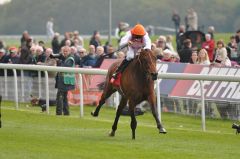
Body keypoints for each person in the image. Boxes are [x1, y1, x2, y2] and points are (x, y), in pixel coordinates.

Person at [55, 46, 75, 115]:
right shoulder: (65, 58)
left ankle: (59, 113)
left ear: (69, 51)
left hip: (65, 81)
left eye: (66, 51)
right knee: (64, 98)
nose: (65, 52)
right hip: (63, 81)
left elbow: (65, 67)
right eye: (64, 51)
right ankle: (66, 112)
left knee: (60, 97)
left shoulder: (70, 58)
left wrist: (59, 61)